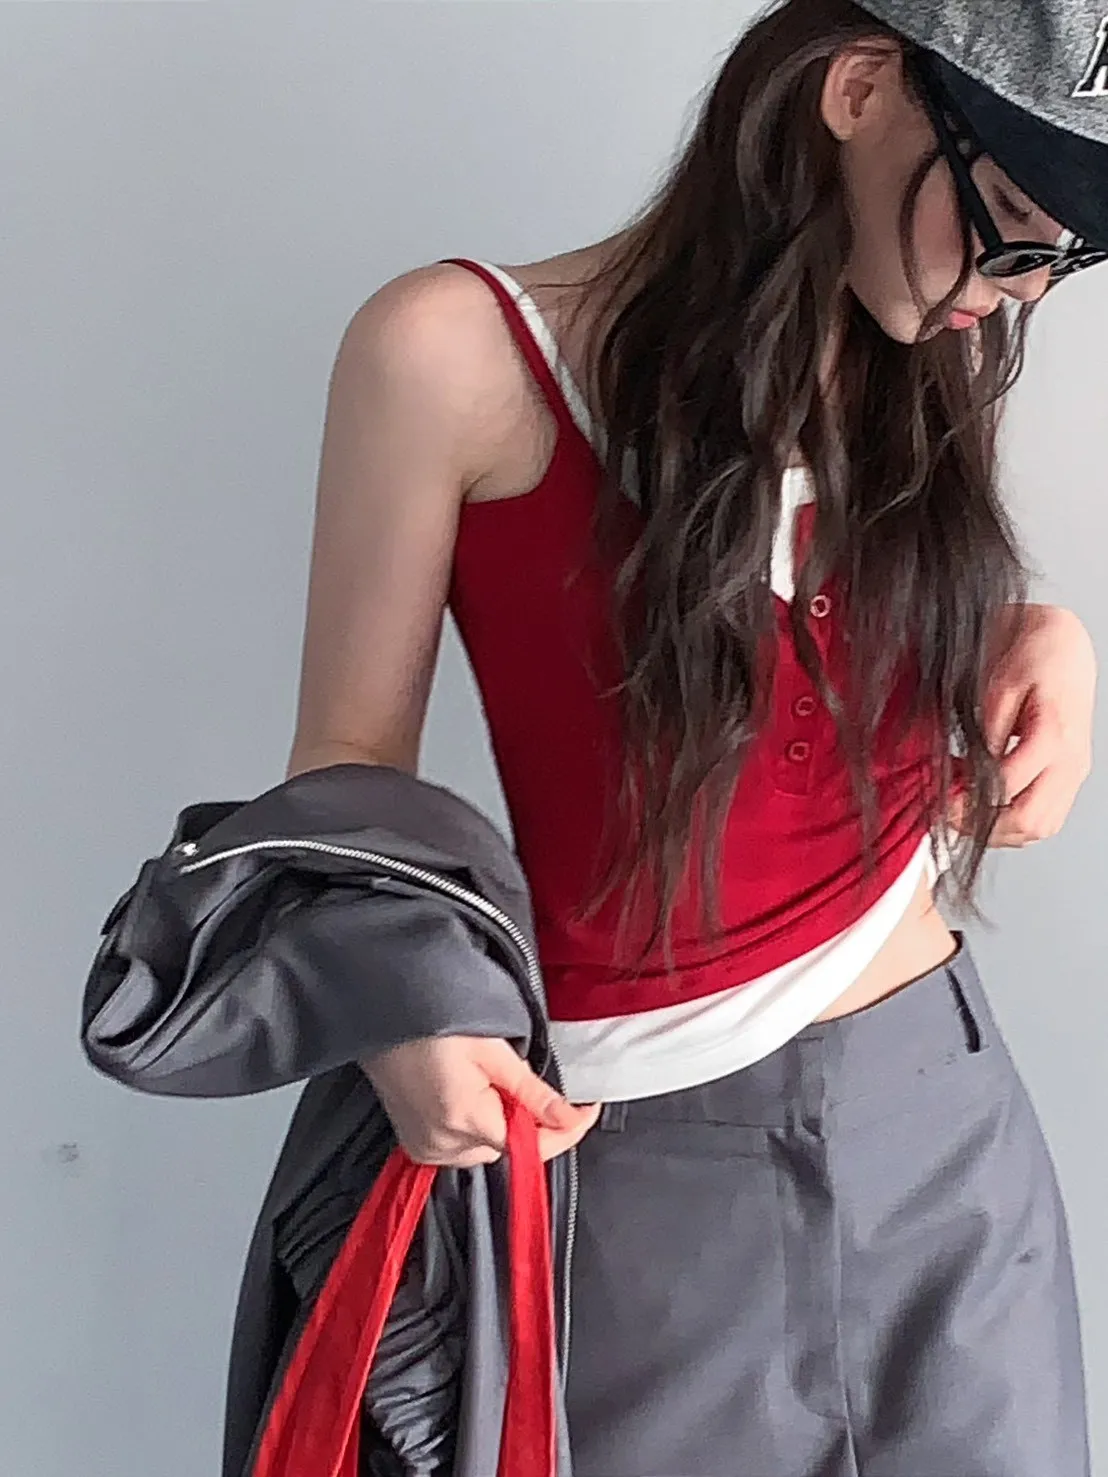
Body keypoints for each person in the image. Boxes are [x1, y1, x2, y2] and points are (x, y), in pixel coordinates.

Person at [285, 1, 1101, 1471]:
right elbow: (346, 763)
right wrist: (403, 1012)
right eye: (1012, 224)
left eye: (1061, 255)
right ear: (860, 90)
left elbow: (835, 636)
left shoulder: (915, 346)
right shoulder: (454, 351)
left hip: (947, 1121)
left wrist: (1045, 638)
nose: (1018, 291)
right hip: (640, 1147)